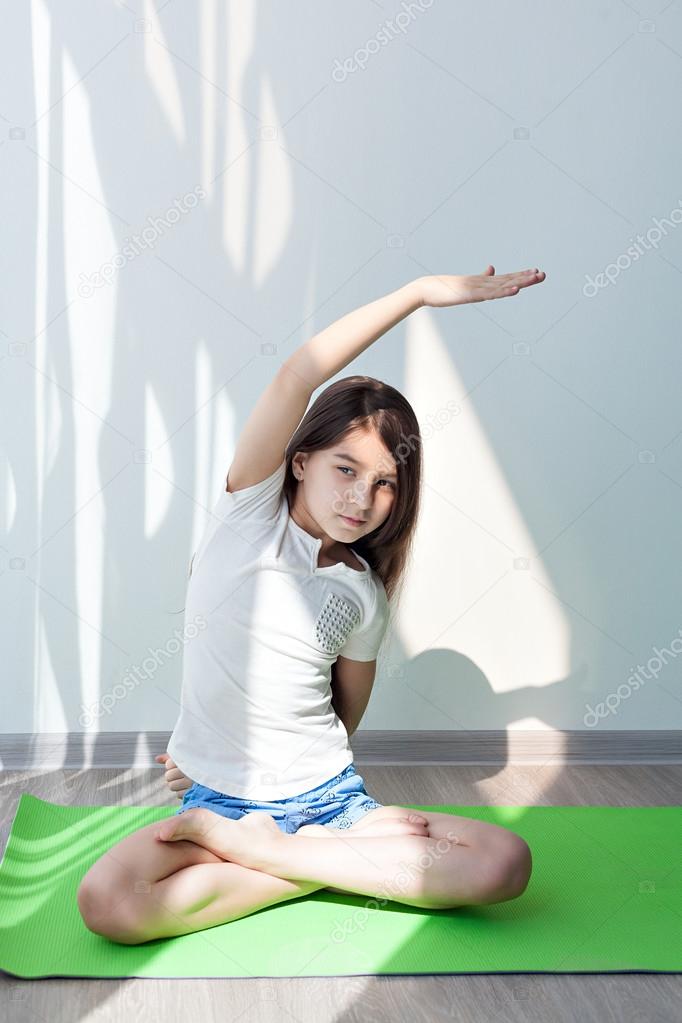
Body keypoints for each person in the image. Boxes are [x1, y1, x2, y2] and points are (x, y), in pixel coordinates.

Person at [77, 265, 546, 944]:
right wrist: (415, 293)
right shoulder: (248, 517)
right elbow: (298, 374)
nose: (362, 498)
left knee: (506, 861)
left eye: (385, 483)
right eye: (346, 470)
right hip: (223, 801)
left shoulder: (363, 592)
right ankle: (333, 868)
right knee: (109, 902)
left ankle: (271, 856)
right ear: (300, 461)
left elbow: (342, 715)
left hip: (329, 802)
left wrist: (291, 829)